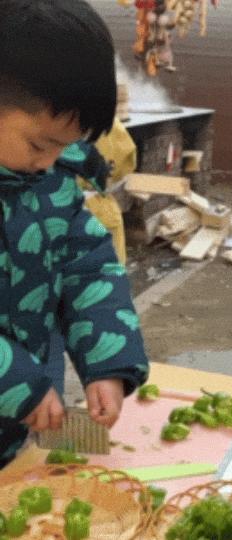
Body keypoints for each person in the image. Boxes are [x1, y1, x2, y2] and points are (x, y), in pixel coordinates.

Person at [0, 0, 149, 468]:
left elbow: (89, 268)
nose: (48, 162)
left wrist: (107, 360)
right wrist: (17, 383)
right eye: (39, 144)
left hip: (15, 422)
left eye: (64, 147)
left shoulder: (51, 182)